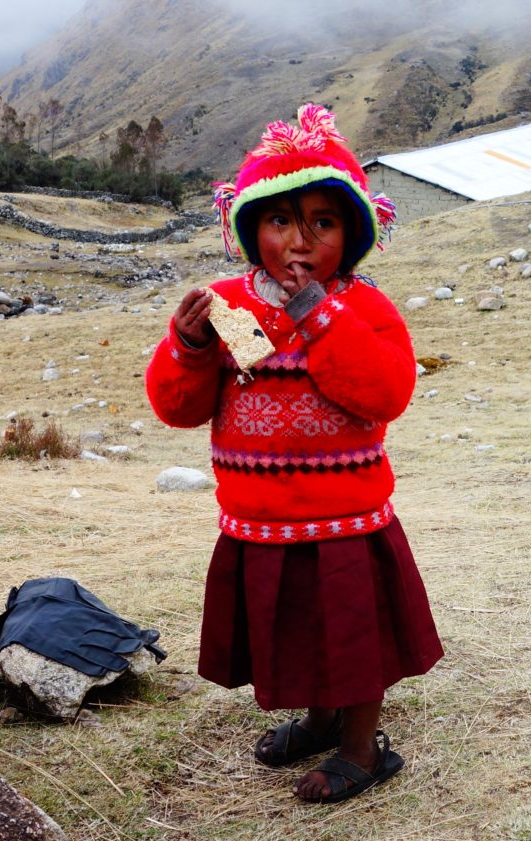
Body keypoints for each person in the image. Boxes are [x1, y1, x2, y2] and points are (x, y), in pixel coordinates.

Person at [145, 104, 444, 803]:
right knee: (301, 632)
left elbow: (383, 391)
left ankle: (362, 749)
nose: (299, 240)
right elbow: (178, 406)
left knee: (352, 636)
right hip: (259, 520)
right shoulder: (225, 305)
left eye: (323, 221)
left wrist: (317, 311)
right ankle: (317, 719)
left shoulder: (363, 307)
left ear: (354, 232)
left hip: (346, 519)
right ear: (251, 227)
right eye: (280, 220)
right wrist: (187, 347)